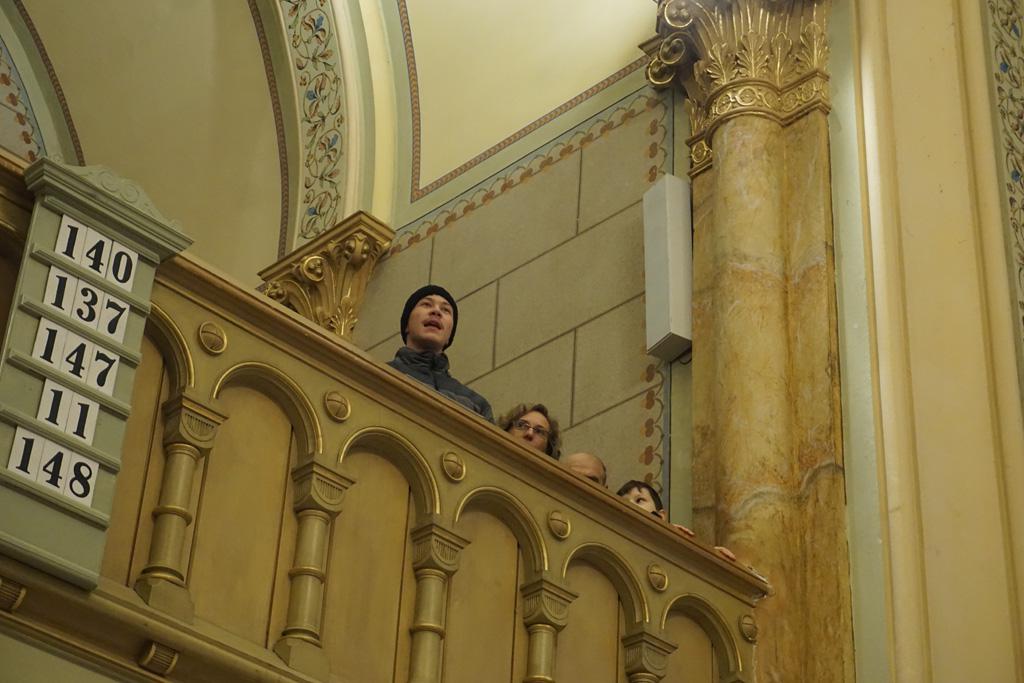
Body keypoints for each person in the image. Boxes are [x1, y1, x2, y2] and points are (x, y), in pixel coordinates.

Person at [387, 285, 493, 421]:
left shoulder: (477, 405)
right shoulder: (380, 374)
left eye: (445, 310)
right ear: (406, 325)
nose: (436, 311)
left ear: (449, 336)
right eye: (426, 304)